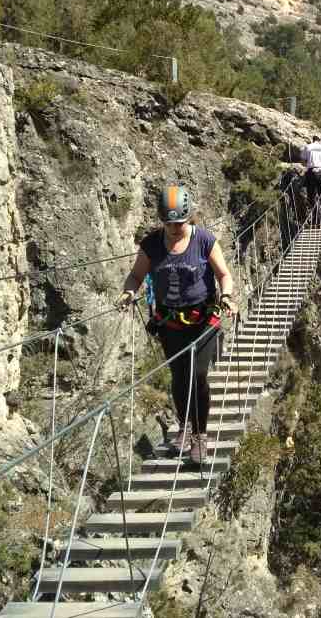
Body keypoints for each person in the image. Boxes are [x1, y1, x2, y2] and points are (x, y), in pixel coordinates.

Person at [118, 185, 237, 464]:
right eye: (169, 223)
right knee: (180, 377)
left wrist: (228, 296)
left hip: (204, 320)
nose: (174, 228)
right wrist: (128, 292)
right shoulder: (152, 245)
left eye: (179, 222)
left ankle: (200, 434)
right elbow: (136, 276)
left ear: (189, 217)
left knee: (198, 376)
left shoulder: (204, 240)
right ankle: (184, 427)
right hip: (170, 323)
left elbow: (223, 274)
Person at [300, 135, 321, 226]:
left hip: (312, 172)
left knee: (311, 197)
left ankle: (316, 218)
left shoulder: (308, 147)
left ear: (312, 140)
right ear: (319, 141)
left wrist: (307, 165)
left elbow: (303, 161)